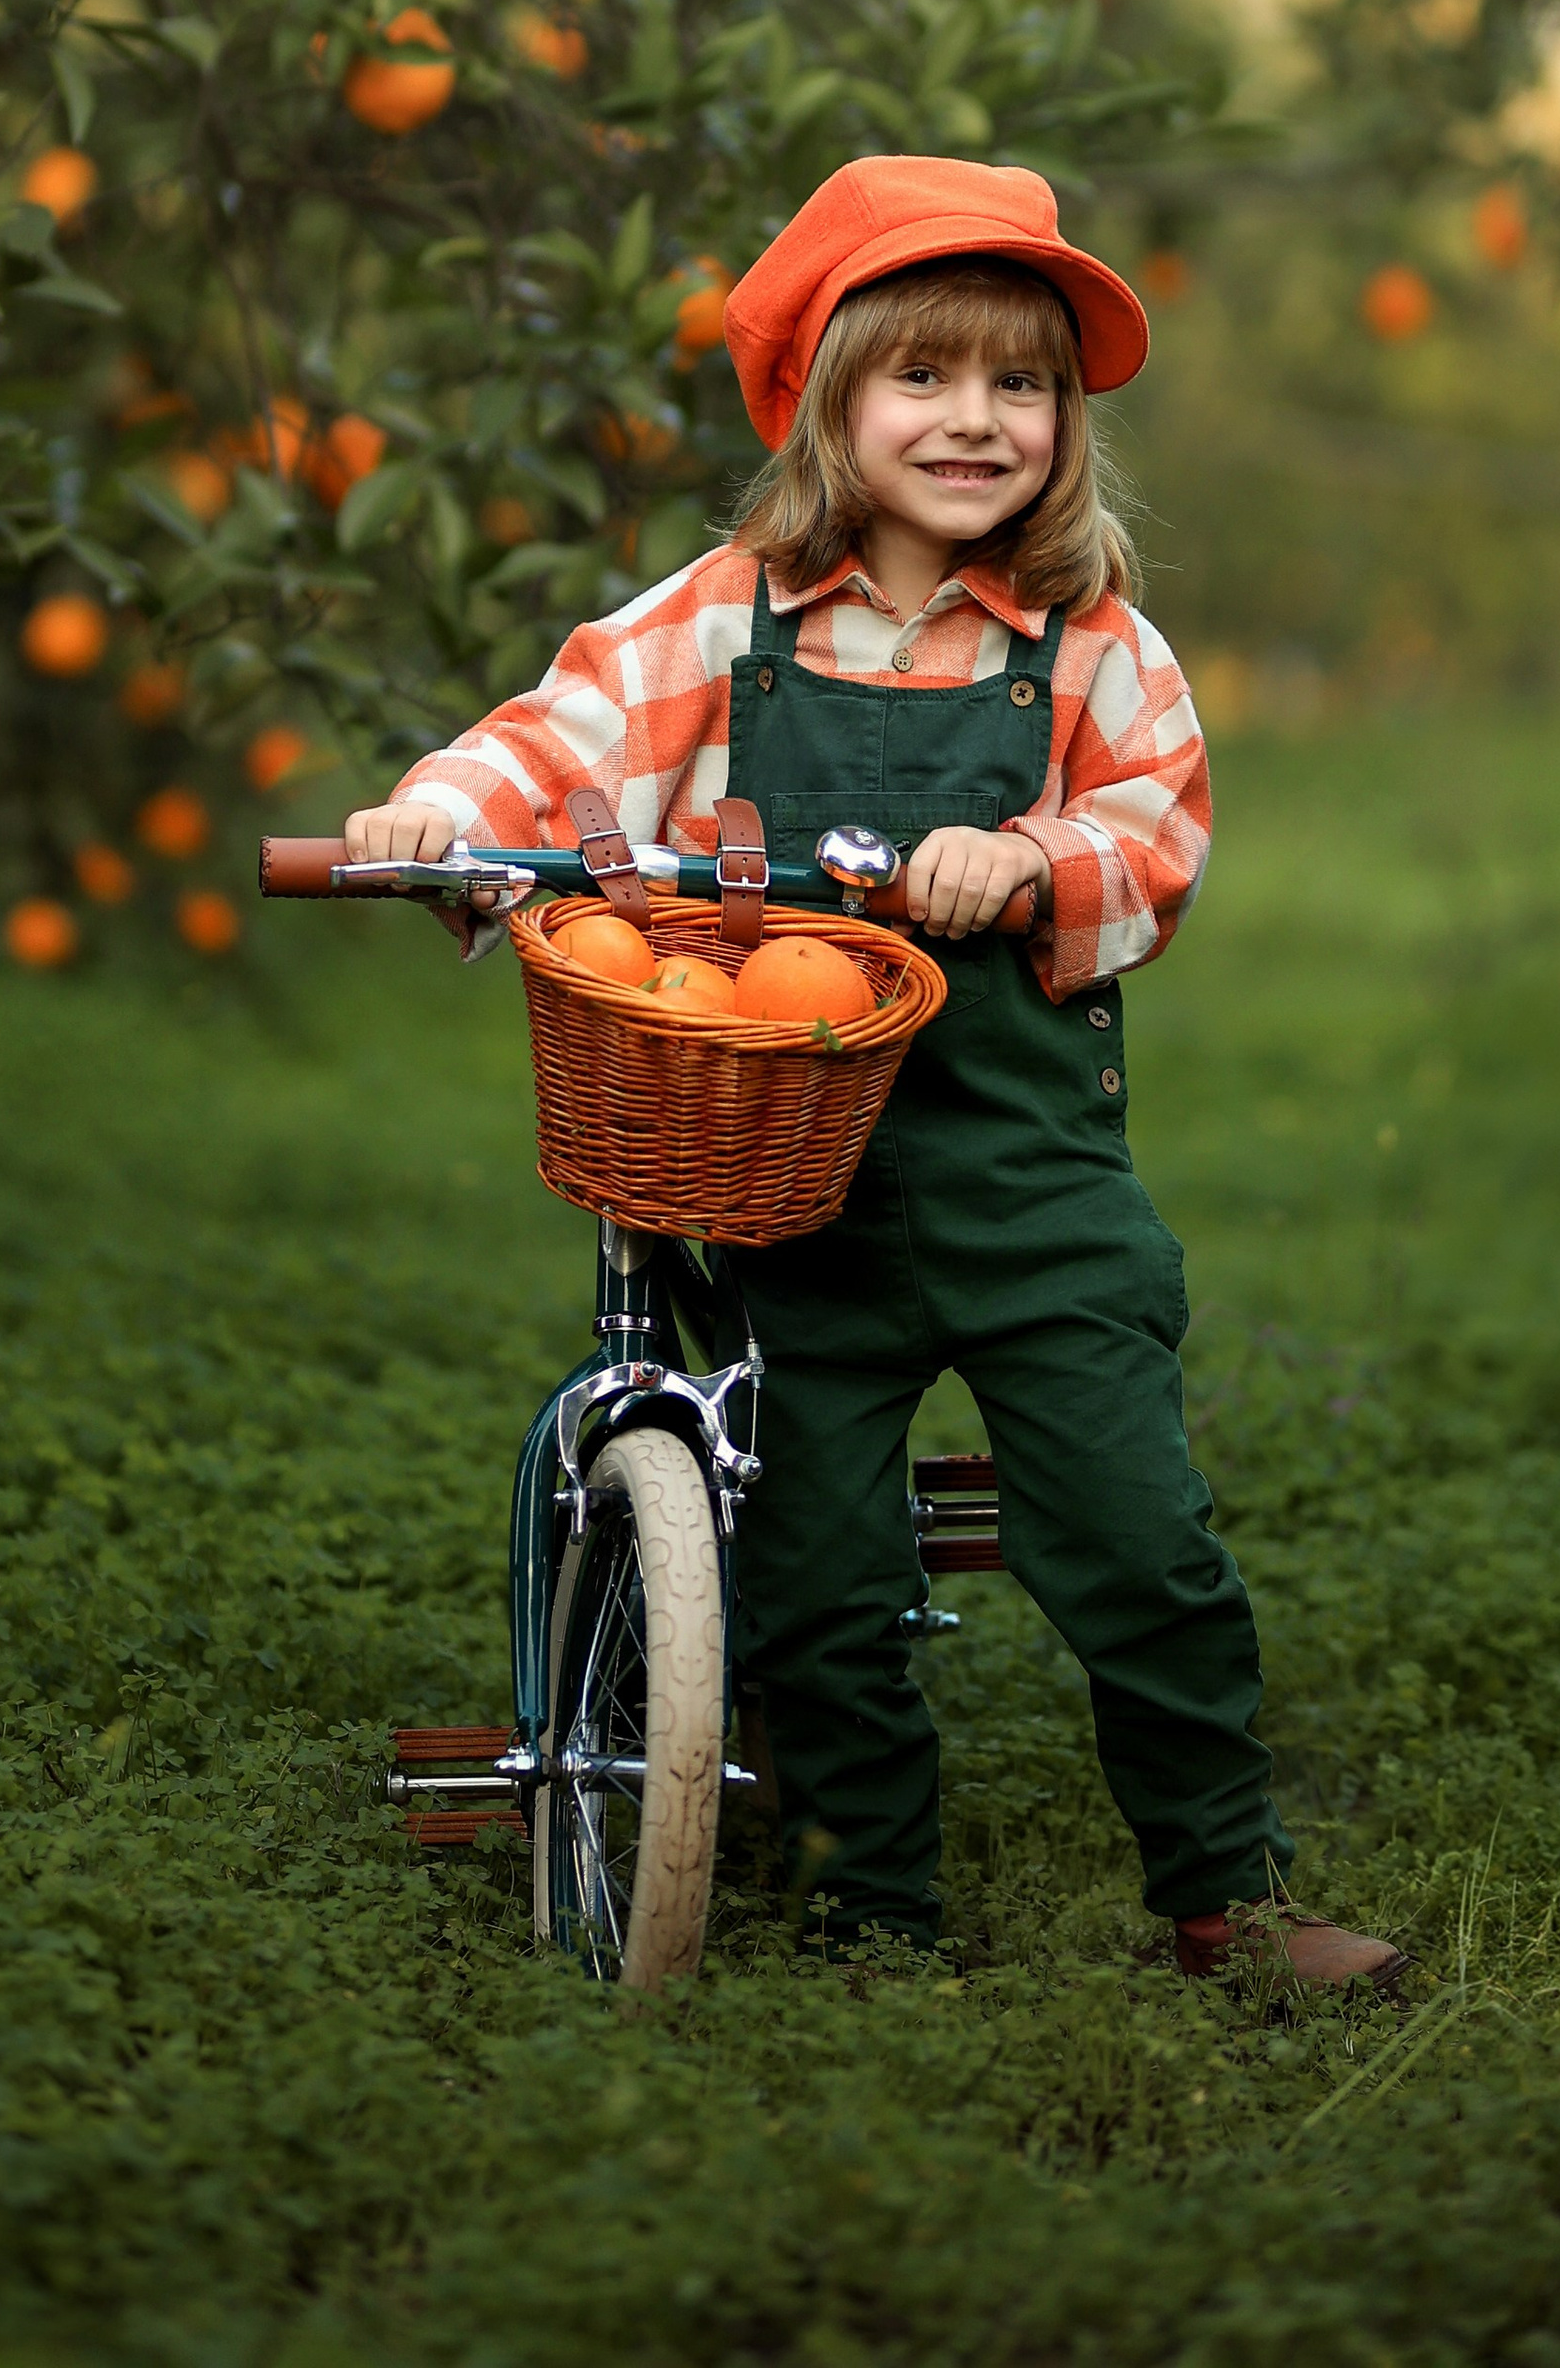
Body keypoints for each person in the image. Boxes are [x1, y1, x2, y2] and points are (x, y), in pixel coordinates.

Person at [345, 153, 1397, 1985]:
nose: (973, 419)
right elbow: (561, 735)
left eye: (1018, 383)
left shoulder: (1094, 646)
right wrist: (451, 809)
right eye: (923, 374)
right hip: (786, 1185)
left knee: (1135, 1531)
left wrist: (1040, 859)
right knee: (814, 1568)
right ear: (828, 399)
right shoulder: (722, 617)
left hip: (1026, 1174)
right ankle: (867, 1906)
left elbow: (1159, 832)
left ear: (1065, 421)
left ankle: (1227, 1891)